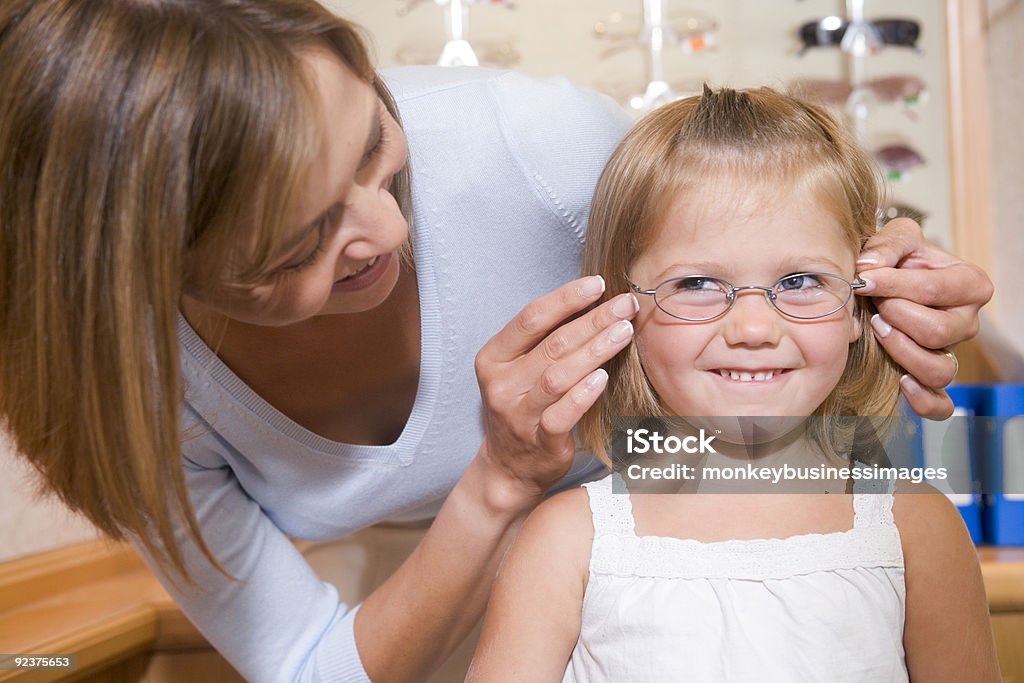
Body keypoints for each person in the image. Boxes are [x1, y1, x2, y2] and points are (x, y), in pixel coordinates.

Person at [0, 1, 992, 681]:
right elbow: (310, 662)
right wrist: (499, 485)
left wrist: (887, 271)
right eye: (299, 241)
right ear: (140, 277)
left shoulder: (538, 147)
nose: (389, 231)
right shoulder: (125, 395)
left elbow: (752, 230)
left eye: (376, 152)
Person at [468, 86, 1001, 682]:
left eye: (800, 280)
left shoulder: (916, 529)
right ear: (622, 312)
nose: (753, 327)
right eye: (696, 283)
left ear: (859, 306)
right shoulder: (567, 542)